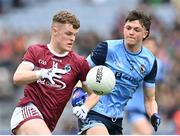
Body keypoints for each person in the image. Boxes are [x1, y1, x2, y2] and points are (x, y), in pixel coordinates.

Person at [10, 10, 99, 135]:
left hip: (48, 123)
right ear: (54, 30)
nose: (72, 39)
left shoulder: (79, 63)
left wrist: (85, 108)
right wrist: (41, 73)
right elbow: (18, 77)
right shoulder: (36, 51)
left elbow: (94, 93)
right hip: (27, 111)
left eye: (74, 35)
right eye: (68, 34)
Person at [72, 10, 161, 135]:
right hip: (93, 111)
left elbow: (150, 99)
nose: (131, 32)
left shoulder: (150, 62)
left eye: (136, 30)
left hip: (117, 120)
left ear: (145, 34)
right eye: (128, 28)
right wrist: (78, 93)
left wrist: (153, 115)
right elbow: (80, 72)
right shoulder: (107, 48)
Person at [125, 37, 165, 135]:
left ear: (156, 49)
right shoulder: (133, 62)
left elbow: (158, 87)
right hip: (134, 107)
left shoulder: (158, 65)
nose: (149, 49)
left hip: (149, 110)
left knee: (138, 133)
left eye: (152, 46)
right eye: (147, 46)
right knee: (147, 132)